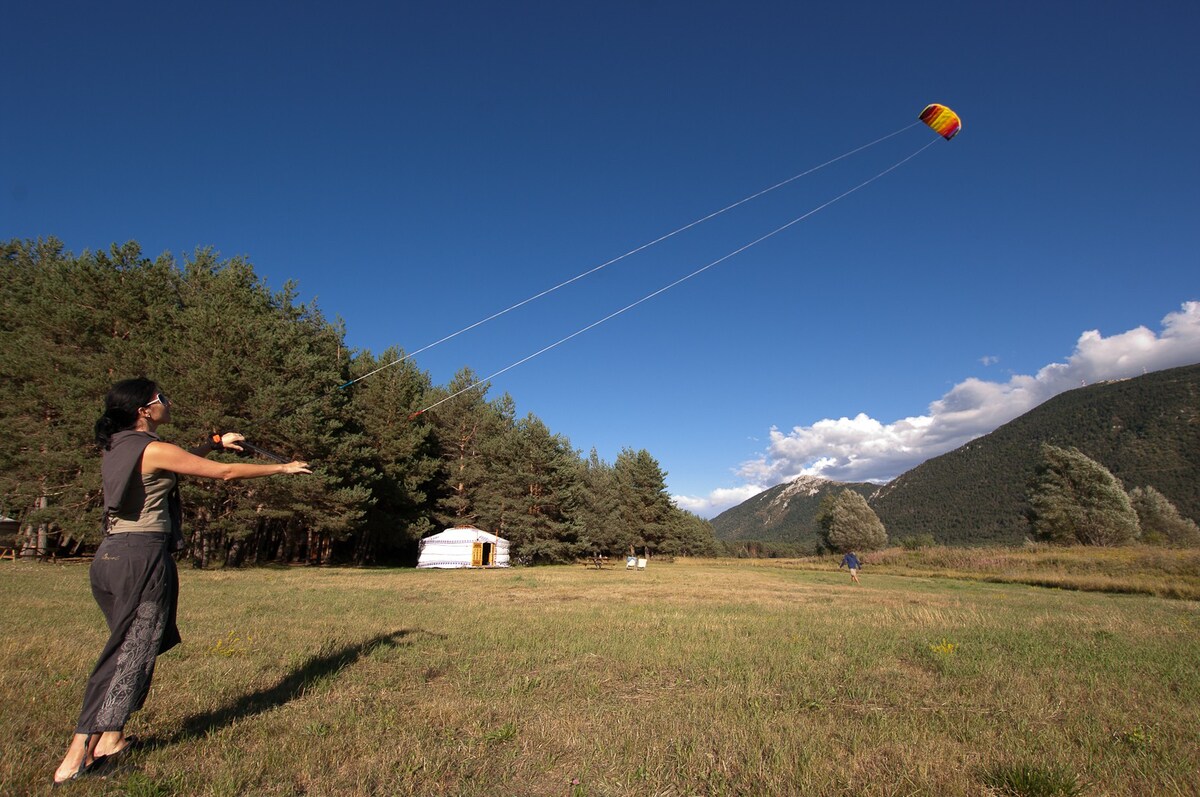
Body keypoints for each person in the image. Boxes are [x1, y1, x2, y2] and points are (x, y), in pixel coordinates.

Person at [52, 377, 311, 786]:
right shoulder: (153, 448)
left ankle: (112, 739)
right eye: (162, 398)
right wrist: (283, 467)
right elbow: (223, 475)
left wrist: (212, 441)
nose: (167, 402)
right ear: (144, 409)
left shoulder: (118, 446)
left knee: (138, 647)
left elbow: (175, 462)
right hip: (142, 558)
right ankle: (76, 756)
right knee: (126, 653)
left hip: (110, 558)